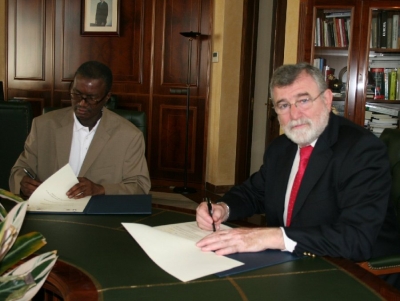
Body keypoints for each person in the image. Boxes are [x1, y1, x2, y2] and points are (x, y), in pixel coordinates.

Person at [196, 62, 400, 265]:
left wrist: (270, 237)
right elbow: (255, 193)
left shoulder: (362, 150)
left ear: (327, 100)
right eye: (284, 105)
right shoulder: (281, 148)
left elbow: (355, 239)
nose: (294, 115)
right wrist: (223, 208)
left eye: (303, 101)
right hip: (292, 261)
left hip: (353, 272)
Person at [9, 60, 150, 198]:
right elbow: (20, 169)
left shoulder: (129, 135)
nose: (82, 103)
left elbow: (140, 186)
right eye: (76, 94)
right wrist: (22, 182)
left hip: (100, 215)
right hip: (50, 212)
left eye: (91, 98)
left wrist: (101, 189)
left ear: (107, 97)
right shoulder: (43, 126)